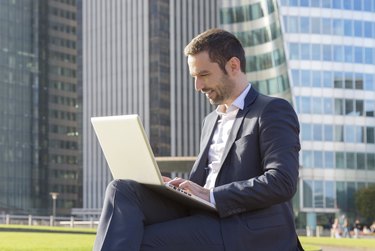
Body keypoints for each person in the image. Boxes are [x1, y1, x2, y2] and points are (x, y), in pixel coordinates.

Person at [93, 28, 302, 251]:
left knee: (145, 241)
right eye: (194, 77)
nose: (198, 87)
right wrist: (170, 188)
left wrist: (212, 195)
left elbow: (282, 182)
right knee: (121, 190)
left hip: (243, 226)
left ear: (233, 66)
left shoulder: (271, 110)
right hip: (203, 213)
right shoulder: (210, 120)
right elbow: (204, 181)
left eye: (203, 75)